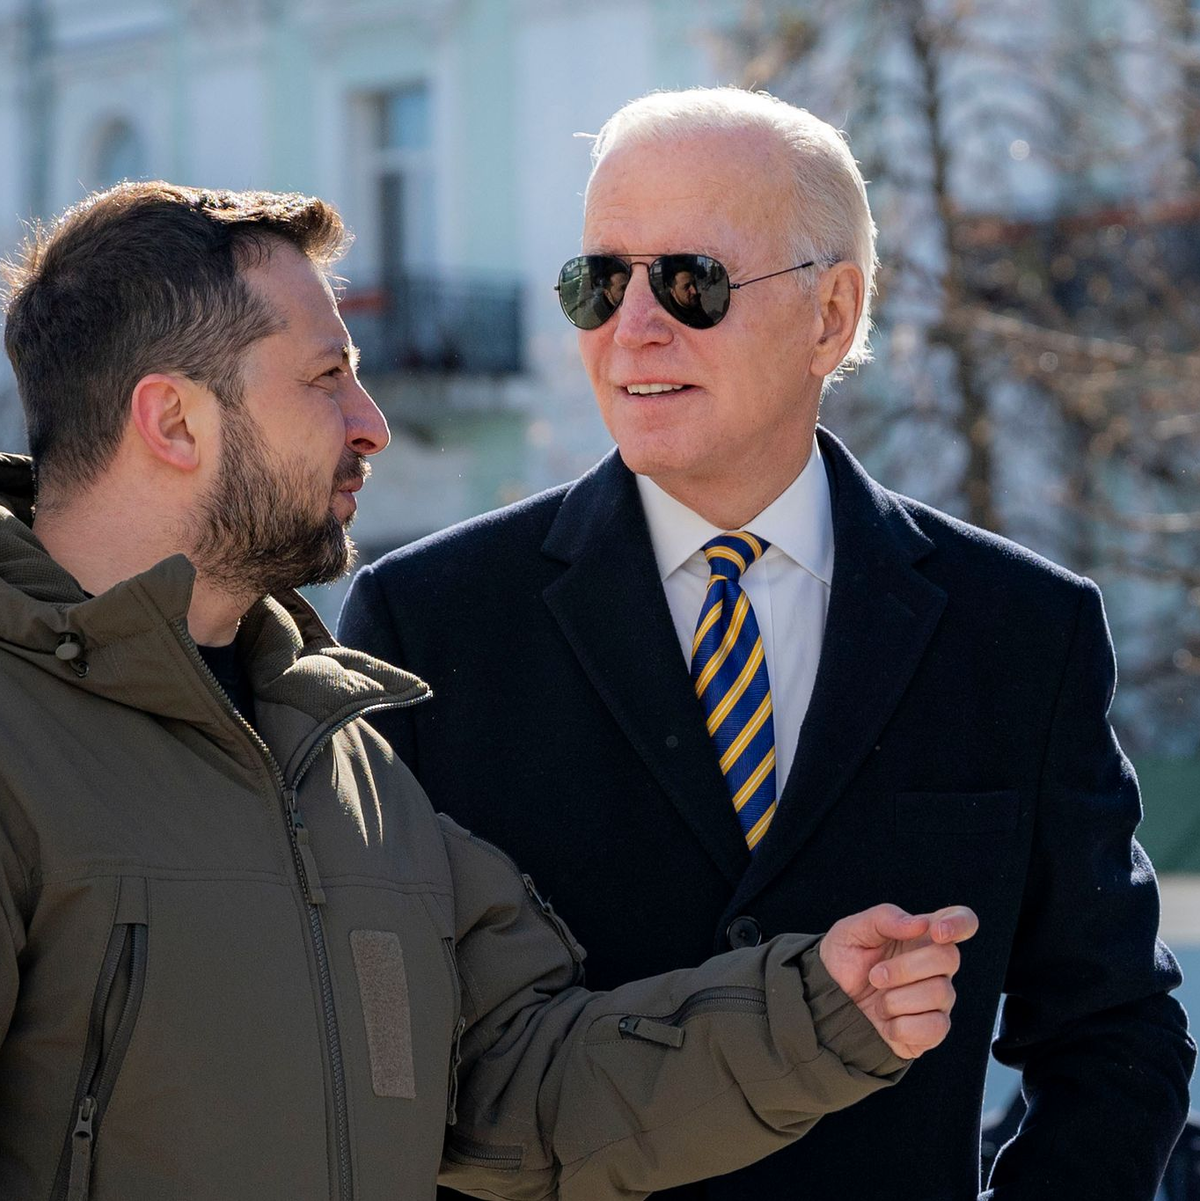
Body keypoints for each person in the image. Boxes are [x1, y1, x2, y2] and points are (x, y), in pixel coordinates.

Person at [0, 181, 976, 1201]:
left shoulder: (341, 762)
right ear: (173, 419)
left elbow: (509, 1085)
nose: (371, 424)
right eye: (327, 378)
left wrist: (815, 1013)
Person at [339, 87, 1196, 1201]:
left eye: (689, 281)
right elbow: (392, 1065)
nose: (633, 328)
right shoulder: (426, 622)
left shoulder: (1020, 627)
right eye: (598, 282)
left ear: (831, 314)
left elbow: (1115, 1032)